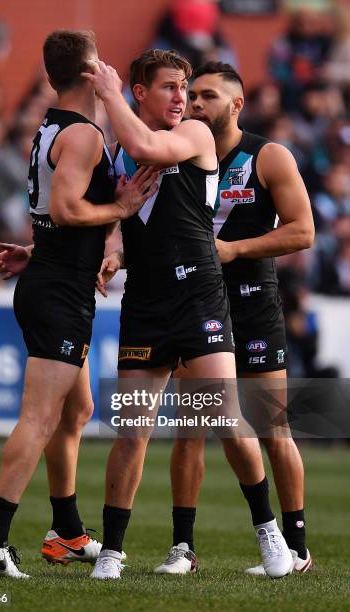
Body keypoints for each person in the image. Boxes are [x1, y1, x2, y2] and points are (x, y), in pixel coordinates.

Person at [82, 50, 294, 580]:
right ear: (141, 93)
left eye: (188, 88)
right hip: (147, 304)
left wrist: (106, 94)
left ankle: (269, 531)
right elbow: (117, 219)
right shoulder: (118, 152)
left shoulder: (195, 135)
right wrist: (110, 247)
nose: (184, 98)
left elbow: (146, 144)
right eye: (172, 88)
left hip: (199, 296)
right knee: (132, 430)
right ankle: (111, 549)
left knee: (222, 418)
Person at [0, 29, 156, 579]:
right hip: (61, 292)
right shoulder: (86, 136)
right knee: (41, 417)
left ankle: (66, 532)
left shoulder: (52, 125)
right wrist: (121, 205)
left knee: (77, 411)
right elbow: (70, 209)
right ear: (91, 72)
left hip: (52, 278)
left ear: (51, 76)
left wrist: (38, 250)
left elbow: (53, 213)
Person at [155, 61, 314, 575]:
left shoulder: (268, 156)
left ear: (236, 105)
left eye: (207, 96)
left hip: (251, 301)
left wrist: (236, 248)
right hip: (196, 302)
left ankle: (297, 549)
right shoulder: (177, 152)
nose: (195, 104)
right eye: (190, 95)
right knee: (192, 427)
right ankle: (183, 548)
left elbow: (303, 231)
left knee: (273, 428)